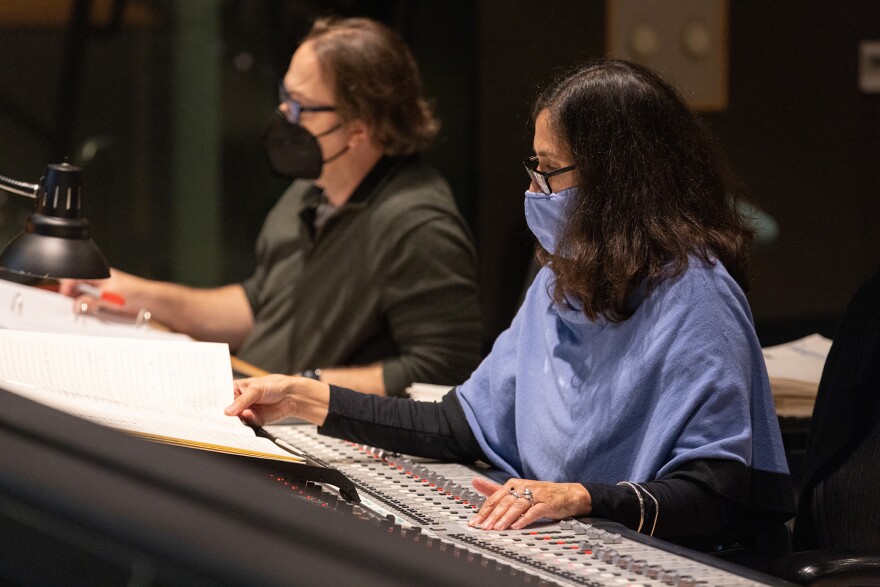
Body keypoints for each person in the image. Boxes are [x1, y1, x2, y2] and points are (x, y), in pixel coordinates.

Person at [224, 59, 795, 562]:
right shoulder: (561, 281)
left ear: (616, 181)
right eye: (534, 167)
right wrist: (300, 398)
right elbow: (457, 425)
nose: (534, 188)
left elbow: (717, 492)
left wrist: (584, 497)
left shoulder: (697, 295)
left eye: (550, 170)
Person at [62, 17, 483, 397]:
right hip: (257, 411)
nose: (283, 114)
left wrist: (302, 389)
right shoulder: (312, 189)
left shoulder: (420, 226)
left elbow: (443, 371)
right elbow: (260, 303)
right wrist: (136, 293)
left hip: (309, 438)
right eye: (285, 96)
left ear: (358, 127)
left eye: (300, 106)